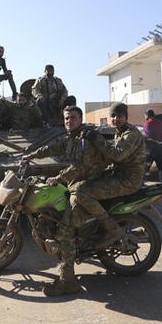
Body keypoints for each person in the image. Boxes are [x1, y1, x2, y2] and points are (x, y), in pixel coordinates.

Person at [23, 105, 109, 297]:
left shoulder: (85, 138)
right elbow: (53, 147)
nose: (68, 121)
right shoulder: (71, 137)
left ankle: (68, 281)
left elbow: (80, 166)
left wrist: (58, 177)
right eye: (66, 118)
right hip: (78, 183)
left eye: (72, 118)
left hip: (90, 185)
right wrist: (32, 155)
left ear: (80, 118)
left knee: (65, 227)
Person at [78, 102, 146, 248]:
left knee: (83, 192)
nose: (116, 119)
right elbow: (110, 156)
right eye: (113, 116)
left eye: (120, 116)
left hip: (128, 180)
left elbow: (117, 154)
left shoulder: (131, 134)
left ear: (126, 117)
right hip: (121, 174)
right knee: (86, 182)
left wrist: (97, 138)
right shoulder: (120, 131)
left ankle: (113, 230)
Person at [143, 109, 162, 184]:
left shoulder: (148, 123)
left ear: (147, 115)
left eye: (145, 115)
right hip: (160, 147)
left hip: (151, 148)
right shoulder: (160, 122)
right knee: (161, 167)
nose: (144, 117)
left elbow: (147, 136)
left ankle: (140, 183)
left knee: (146, 167)